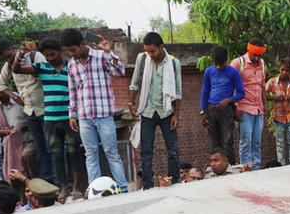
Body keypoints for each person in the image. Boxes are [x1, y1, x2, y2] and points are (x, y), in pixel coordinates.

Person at [10, 38, 85, 201]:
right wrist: (20, 56)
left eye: (52, 54)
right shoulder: (42, 67)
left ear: (60, 51)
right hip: (50, 118)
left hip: (69, 118)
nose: (50, 58)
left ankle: (76, 187)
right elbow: (17, 69)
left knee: (74, 152)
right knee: (56, 154)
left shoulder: (71, 66)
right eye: (47, 55)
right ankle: (63, 188)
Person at [62, 29, 129, 190]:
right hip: (84, 116)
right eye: (68, 51)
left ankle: (123, 188)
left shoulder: (101, 56)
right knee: (90, 154)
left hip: (104, 114)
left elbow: (120, 72)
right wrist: (72, 114)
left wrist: (108, 51)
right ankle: (95, 190)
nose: (71, 54)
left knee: (111, 152)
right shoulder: (72, 64)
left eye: (73, 50)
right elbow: (73, 91)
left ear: (82, 44)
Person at [128, 32, 183, 189]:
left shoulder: (174, 63)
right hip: (147, 110)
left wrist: (176, 115)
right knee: (146, 151)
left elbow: (178, 91)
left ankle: (174, 182)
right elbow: (135, 81)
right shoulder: (143, 59)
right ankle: (148, 185)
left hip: (166, 111)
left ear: (161, 47)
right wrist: (131, 102)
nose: (150, 54)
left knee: (172, 150)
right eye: (147, 51)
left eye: (152, 51)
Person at [0, 39, 51, 184]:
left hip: (45, 108)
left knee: (53, 146)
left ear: (14, 49)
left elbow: (47, 73)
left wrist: (20, 62)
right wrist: (14, 97)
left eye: (9, 55)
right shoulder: (8, 66)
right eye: (5, 58)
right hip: (29, 111)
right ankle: (47, 181)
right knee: (41, 148)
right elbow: (0, 84)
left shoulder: (34, 56)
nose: (8, 59)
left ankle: (61, 181)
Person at [200, 45, 245, 161]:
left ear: (226, 60)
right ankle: (216, 168)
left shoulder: (233, 73)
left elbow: (241, 93)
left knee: (227, 142)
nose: (218, 66)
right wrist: (203, 111)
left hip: (226, 110)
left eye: (221, 63)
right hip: (211, 109)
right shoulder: (209, 72)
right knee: (214, 144)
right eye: (216, 63)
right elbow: (205, 91)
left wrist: (229, 100)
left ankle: (231, 167)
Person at [229, 39, 268, 168]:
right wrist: (234, 108)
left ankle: (256, 167)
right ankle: (246, 167)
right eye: (254, 55)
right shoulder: (237, 63)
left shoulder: (262, 63)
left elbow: (262, 85)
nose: (257, 58)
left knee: (256, 141)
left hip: (258, 108)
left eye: (259, 55)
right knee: (246, 141)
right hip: (244, 108)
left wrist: (265, 104)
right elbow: (229, 87)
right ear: (249, 51)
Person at [266, 59, 290, 165]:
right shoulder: (272, 82)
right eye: (282, 69)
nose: (284, 72)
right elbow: (263, 94)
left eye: (287, 70)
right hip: (278, 117)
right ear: (279, 69)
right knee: (280, 143)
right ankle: (281, 164)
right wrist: (274, 98)